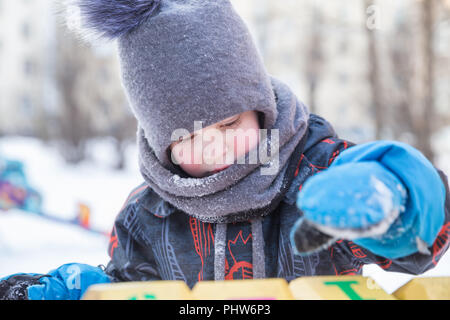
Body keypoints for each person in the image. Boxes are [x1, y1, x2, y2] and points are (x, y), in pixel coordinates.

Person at [0, 0, 449, 300]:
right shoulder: (146, 216)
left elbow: (428, 237)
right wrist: (79, 291)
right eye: (189, 136)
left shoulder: (322, 172)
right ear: (162, 145)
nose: (214, 146)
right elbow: (131, 287)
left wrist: (395, 198)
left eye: (230, 123)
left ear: (260, 108)